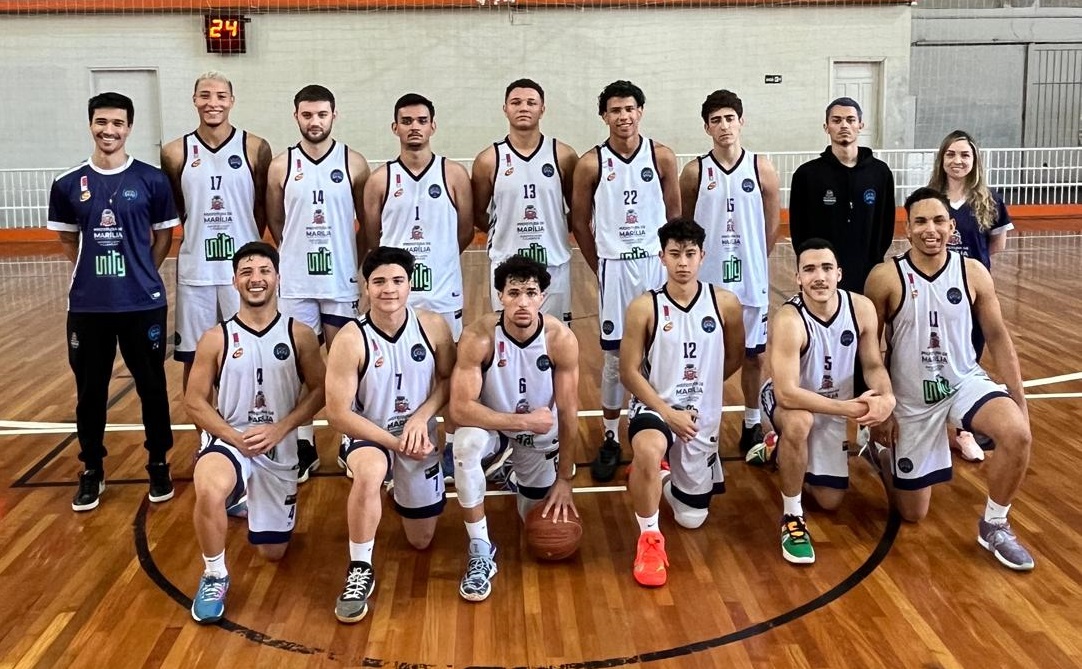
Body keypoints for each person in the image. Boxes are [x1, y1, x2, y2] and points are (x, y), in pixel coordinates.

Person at [863, 187, 1034, 572]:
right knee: (913, 513)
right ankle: (883, 453)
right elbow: (871, 349)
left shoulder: (973, 271)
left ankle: (994, 524)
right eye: (921, 221)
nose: (930, 229)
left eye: (939, 220)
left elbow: (998, 336)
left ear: (951, 227)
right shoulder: (885, 277)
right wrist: (882, 406)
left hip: (963, 383)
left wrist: (1019, 400)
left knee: (1017, 433)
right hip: (911, 398)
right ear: (907, 229)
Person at [47, 92, 178, 512]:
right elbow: (68, 238)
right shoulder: (68, 184)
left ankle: (158, 462)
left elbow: (163, 236)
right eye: (102, 122)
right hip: (88, 307)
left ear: (129, 127)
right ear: (90, 124)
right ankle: (92, 469)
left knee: (153, 388)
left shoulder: (152, 180)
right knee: (89, 392)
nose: (109, 130)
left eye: (118, 123)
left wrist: (142, 270)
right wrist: (94, 272)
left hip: (142, 302)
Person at [184, 242, 326, 623]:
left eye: (263, 271)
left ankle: (248, 501)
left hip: (278, 443)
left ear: (277, 277)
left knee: (273, 552)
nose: (256, 279)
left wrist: (282, 428)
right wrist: (231, 436)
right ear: (234, 281)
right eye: (246, 272)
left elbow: (320, 390)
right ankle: (215, 574)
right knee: (209, 487)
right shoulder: (216, 337)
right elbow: (194, 401)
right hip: (231, 439)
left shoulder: (300, 334)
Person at [325, 247, 455, 624]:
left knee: (421, 540)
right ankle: (359, 569)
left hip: (419, 437)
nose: (389, 289)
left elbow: (448, 380)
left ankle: (400, 491)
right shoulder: (350, 339)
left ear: (409, 284)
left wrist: (422, 418)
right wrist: (395, 442)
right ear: (366, 287)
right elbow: (337, 413)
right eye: (379, 281)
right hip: (370, 434)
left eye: (397, 280)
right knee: (368, 472)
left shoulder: (432, 325)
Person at [448, 255, 580, 602]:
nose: (522, 301)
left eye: (531, 292)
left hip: (537, 436)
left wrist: (565, 479)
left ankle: (511, 466)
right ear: (500, 296)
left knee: (533, 519)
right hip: (490, 425)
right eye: (514, 292)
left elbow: (568, 413)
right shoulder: (479, 337)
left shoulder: (559, 339)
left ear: (543, 297)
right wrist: (521, 421)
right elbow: (460, 409)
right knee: (464, 447)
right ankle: (479, 548)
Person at [620, 219, 743, 587]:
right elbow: (628, 372)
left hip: (699, 416)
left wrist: (704, 392)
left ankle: (664, 479)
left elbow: (734, 357)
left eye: (690, 254)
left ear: (703, 255)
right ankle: (649, 538)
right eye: (675, 254)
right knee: (648, 448)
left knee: (692, 518)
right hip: (656, 406)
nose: (683, 262)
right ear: (662, 257)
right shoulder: (645, 306)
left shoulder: (726, 303)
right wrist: (666, 411)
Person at [570, 80, 680, 483]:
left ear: (641, 111)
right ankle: (611, 437)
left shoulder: (663, 157)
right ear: (604, 116)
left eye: (630, 109)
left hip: (654, 265)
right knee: (616, 360)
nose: (623, 116)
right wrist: (599, 263)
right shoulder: (591, 163)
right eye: (615, 110)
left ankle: (657, 430)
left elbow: (673, 218)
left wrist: (672, 264)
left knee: (660, 352)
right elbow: (579, 221)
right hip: (615, 267)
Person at [759, 238, 894, 564]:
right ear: (798, 278)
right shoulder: (790, 319)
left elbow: (874, 365)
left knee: (830, 501)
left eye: (826, 268)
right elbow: (787, 392)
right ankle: (792, 517)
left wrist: (886, 398)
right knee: (799, 421)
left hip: (831, 405)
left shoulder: (861, 309)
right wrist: (849, 409)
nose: (818, 277)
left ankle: (778, 450)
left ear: (839, 274)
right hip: (789, 400)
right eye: (809, 269)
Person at [363, 93, 473, 482]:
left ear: (432, 126)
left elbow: (464, 231)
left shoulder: (454, 174)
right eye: (406, 121)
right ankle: (388, 441)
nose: (414, 127)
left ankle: (452, 446)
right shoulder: (380, 179)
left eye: (421, 120)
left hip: (443, 293)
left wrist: (438, 263)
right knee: (394, 373)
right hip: (396, 297)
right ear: (395, 127)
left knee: (451, 373)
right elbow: (373, 238)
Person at [267, 84, 370, 482]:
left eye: (321, 114)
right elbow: (276, 222)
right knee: (296, 365)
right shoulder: (281, 165)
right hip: (296, 282)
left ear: (333, 116)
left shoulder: (354, 163)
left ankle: (349, 438)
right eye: (307, 115)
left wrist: (353, 262)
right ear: (296, 116)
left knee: (348, 365)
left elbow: (368, 221)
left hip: (341, 279)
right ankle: (303, 442)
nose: (314, 121)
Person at [679, 89, 781, 456]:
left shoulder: (761, 167)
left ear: (742, 121)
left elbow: (772, 226)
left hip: (750, 281)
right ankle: (703, 423)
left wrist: (753, 257)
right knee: (706, 358)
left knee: (755, 356)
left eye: (729, 118)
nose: (724, 126)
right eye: (716, 120)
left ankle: (752, 423)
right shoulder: (694, 171)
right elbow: (686, 229)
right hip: (708, 284)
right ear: (707, 127)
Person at [161, 71, 272, 392]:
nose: (213, 103)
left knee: (251, 354)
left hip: (243, 273)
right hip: (196, 272)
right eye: (205, 96)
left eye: (221, 96)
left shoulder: (255, 147)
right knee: (194, 359)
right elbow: (178, 207)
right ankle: (207, 439)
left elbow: (262, 206)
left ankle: (251, 432)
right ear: (194, 100)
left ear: (232, 101)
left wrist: (247, 245)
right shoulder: (174, 152)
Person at [928, 130, 1015, 461]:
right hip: (935, 290)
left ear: (974, 160)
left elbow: (997, 245)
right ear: (943, 159)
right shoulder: (930, 196)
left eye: (964, 155)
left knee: (967, 358)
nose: (957, 161)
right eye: (951, 154)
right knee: (934, 355)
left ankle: (963, 431)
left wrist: (973, 271)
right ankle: (936, 429)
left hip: (973, 294)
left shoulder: (989, 201)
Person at [472, 78, 579, 323]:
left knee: (556, 336)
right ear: (505, 108)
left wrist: (556, 228)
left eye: (531, 103)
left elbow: (578, 208)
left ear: (542, 109)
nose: (524, 108)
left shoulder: (564, 155)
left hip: (553, 263)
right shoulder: (488, 160)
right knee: (509, 340)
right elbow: (478, 212)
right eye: (516, 102)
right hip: (506, 265)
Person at [789, 97, 896, 294]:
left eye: (850, 120)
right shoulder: (807, 175)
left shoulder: (880, 173)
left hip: (867, 272)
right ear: (826, 127)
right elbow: (798, 229)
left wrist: (872, 259)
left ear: (860, 125)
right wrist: (814, 267)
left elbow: (886, 224)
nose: (844, 125)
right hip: (823, 276)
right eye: (836, 120)